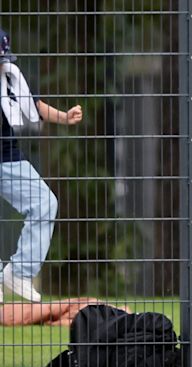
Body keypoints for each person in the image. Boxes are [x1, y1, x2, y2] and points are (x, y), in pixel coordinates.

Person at [0, 28, 83, 304]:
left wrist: (65, 117)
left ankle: (20, 273)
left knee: (45, 203)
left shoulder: (11, 75)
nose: (3, 64)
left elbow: (33, 104)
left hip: (7, 157)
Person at [0, 298, 131, 326]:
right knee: (40, 311)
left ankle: (5, 314)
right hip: (82, 308)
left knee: (42, 310)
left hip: (82, 306)